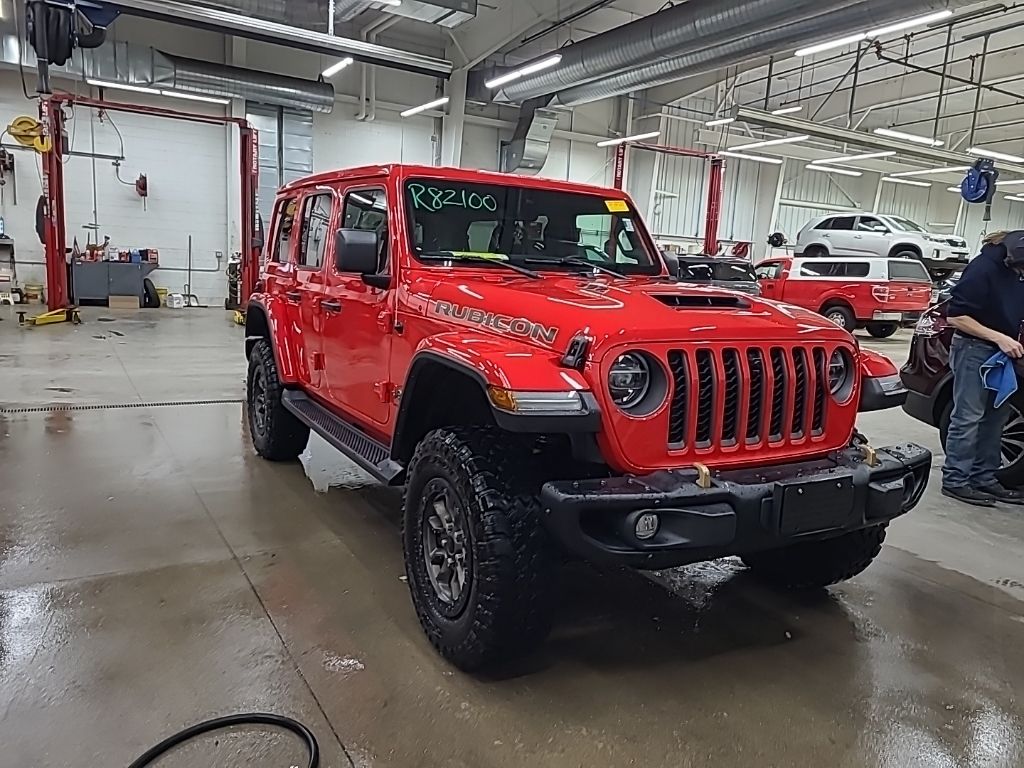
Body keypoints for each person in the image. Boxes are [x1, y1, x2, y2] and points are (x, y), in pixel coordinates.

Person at [941, 230, 1024, 507]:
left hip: (1002, 353)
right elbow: (956, 316)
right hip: (974, 349)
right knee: (968, 417)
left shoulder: (1015, 271)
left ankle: (984, 478)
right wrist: (999, 337)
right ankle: (955, 481)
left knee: (995, 418)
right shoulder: (983, 268)